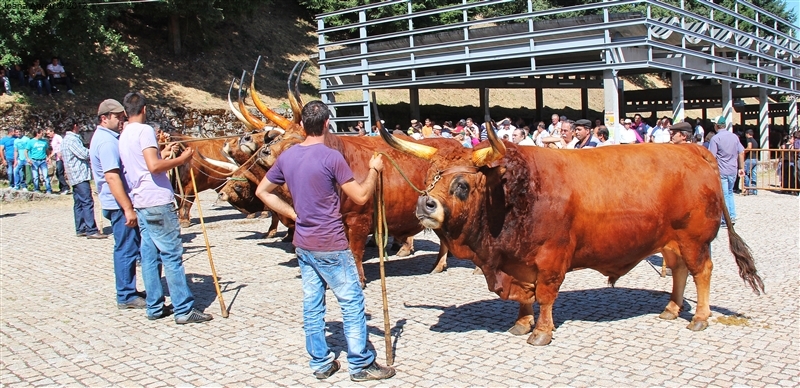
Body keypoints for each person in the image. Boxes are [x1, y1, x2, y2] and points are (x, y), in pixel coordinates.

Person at [255, 100, 395, 382]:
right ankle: (361, 364)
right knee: (352, 302)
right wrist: (374, 170)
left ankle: (320, 362)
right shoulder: (332, 157)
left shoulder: (288, 157)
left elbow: (263, 191)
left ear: (303, 125)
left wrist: (293, 213)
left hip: (304, 243)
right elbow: (361, 197)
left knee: (313, 304)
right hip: (331, 242)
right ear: (327, 124)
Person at [118, 92, 212, 324]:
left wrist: (165, 153)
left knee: (149, 256)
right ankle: (183, 309)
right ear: (144, 109)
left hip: (140, 199)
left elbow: (147, 162)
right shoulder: (145, 130)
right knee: (171, 255)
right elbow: (154, 166)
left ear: (124, 112)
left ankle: (155, 306)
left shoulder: (123, 134)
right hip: (157, 200)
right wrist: (182, 159)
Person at [90, 99, 148, 312]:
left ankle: (129, 290)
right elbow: (112, 178)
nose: (122, 119)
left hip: (117, 203)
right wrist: (127, 208)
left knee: (128, 247)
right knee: (126, 248)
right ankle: (126, 294)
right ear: (104, 118)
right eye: (117, 116)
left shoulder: (109, 138)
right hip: (118, 204)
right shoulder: (106, 142)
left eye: (123, 115)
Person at [62, 118, 101, 237]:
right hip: (79, 174)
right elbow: (83, 154)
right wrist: (95, 151)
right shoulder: (72, 139)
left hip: (73, 174)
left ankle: (81, 227)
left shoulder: (65, 140)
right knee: (87, 201)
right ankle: (91, 229)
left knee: (78, 202)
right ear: (74, 126)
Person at [708, 116, 744, 227]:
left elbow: (711, 156)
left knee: (723, 195)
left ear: (716, 126)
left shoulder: (715, 139)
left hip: (721, 170)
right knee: (730, 193)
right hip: (733, 169)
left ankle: (726, 219)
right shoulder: (734, 137)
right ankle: (732, 215)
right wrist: (741, 168)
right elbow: (741, 152)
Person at [27, 129, 52, 194]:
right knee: (35, 176)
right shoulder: (31, 142)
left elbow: (47, 150)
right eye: (41, 133)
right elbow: (26, 151)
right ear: (37, 133)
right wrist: (28, 159)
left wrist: (48, 157)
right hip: (34, 161)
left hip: (43, 160)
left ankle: (48, 189)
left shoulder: (44, 141)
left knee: (45, 175)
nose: (42, 134)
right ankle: (36, 189)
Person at [46, 127, 69, 194]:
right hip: (57, 158)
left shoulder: (58, 137)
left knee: (59, 172)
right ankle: (62, 188)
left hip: (61, 158)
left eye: (48, 133)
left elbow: (63, 144)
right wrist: (49, 157)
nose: (48, 135)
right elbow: (54, 150)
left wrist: (61, 152)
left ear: (52, 131)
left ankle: (66, 187)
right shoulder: (52, 140)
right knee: (58, 173)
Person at [743, 129, 758, 195]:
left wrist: (744, 151)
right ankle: (754, 190)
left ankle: (747, 189)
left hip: (749, 159)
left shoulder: (749, 139)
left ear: (747, 134)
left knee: (746, 173)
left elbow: (749, 147)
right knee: (754, 175)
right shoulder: (755, 141)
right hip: (755, 159)